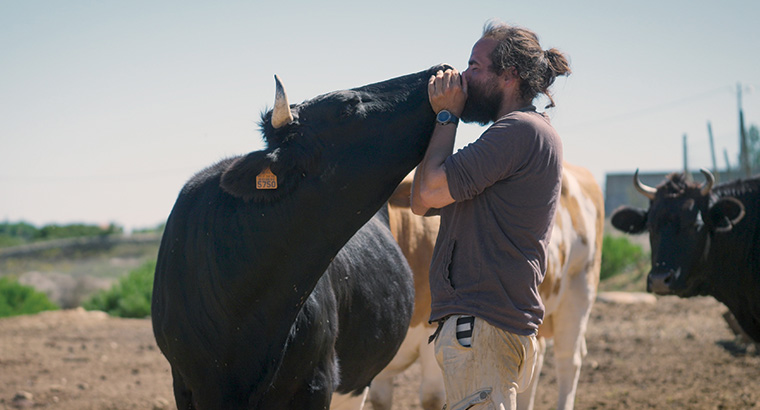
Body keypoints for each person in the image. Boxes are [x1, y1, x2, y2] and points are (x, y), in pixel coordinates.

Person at [410, 20, 571, 410]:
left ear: (509, 75)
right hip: (489, 329)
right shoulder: (528, 133)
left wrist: (446, 115)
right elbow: (425, 202)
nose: (463, 77)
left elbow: (427, 192)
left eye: (474, 66)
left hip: (482, 329)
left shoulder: (518, 132)